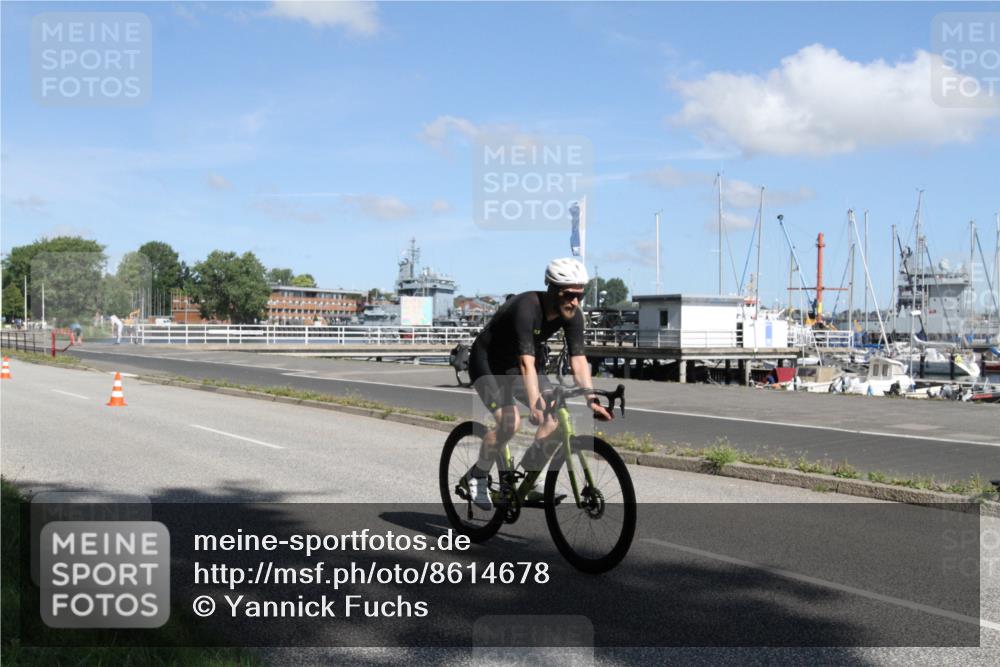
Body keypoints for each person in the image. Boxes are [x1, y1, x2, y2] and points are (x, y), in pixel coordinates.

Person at [465, 257, 613, 510]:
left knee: (552, 418)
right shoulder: (526, 307)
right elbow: (526, 364)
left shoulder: (573, 314)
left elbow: (579, 360)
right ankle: (477, 475)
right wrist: (534, 403)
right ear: (552, 290)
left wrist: (592, 400)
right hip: (488, 363)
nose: (575, 301)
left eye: (581, 295)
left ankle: (527, 478)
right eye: (569, 295)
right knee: (509, 423)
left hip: (520, 365)